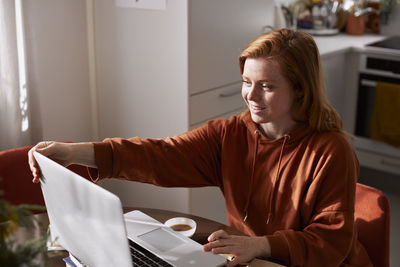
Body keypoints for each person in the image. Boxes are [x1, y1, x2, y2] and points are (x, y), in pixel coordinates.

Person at [28, 29, 372, 266]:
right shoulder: (230, 135)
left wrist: (261, 244)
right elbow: (160, 155)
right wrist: (73, 153)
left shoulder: (332, 151)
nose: (251, 97)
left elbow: (330, 244)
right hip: (250, 258)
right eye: (246, 82)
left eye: (267, 86)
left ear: (300, 90)